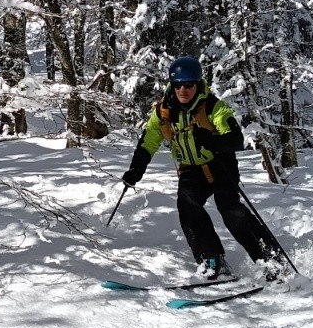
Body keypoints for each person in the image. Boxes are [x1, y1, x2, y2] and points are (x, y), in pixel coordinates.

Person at [120, 55, 286, 281]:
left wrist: (210, 139)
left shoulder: (214, 107)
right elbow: (148, 141)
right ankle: (211, 259)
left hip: (219, 164)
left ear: (197, 84)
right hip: (191, 168)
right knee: (187, 203)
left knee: (230, 209)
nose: (183, 90)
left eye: (189, 84)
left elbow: (236, 140)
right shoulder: (163, 112)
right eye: (178, 85)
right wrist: (135, 171)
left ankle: (270, 259)